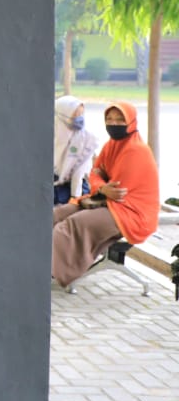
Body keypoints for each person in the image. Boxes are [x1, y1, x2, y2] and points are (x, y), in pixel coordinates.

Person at [52, 102, 159, 286]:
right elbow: (95, 173)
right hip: (107, 202)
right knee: (58, 214)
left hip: (130, 211)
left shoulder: (136, 150)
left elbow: (118, 191)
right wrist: (102, 186)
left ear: (131, 122)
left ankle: (55, 271)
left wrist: (101, 185)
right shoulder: (111, 146)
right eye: (109, 119)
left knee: (74, 224)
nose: (113, 124)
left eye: (119, 119)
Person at [54, 95, 97, 205]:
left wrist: (75, 197)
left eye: (81, 114)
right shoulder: (51, 133)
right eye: (75, 115)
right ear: (63, 115)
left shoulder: (86, 139)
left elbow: (79, 173)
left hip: (74, 186)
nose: (79, 119)